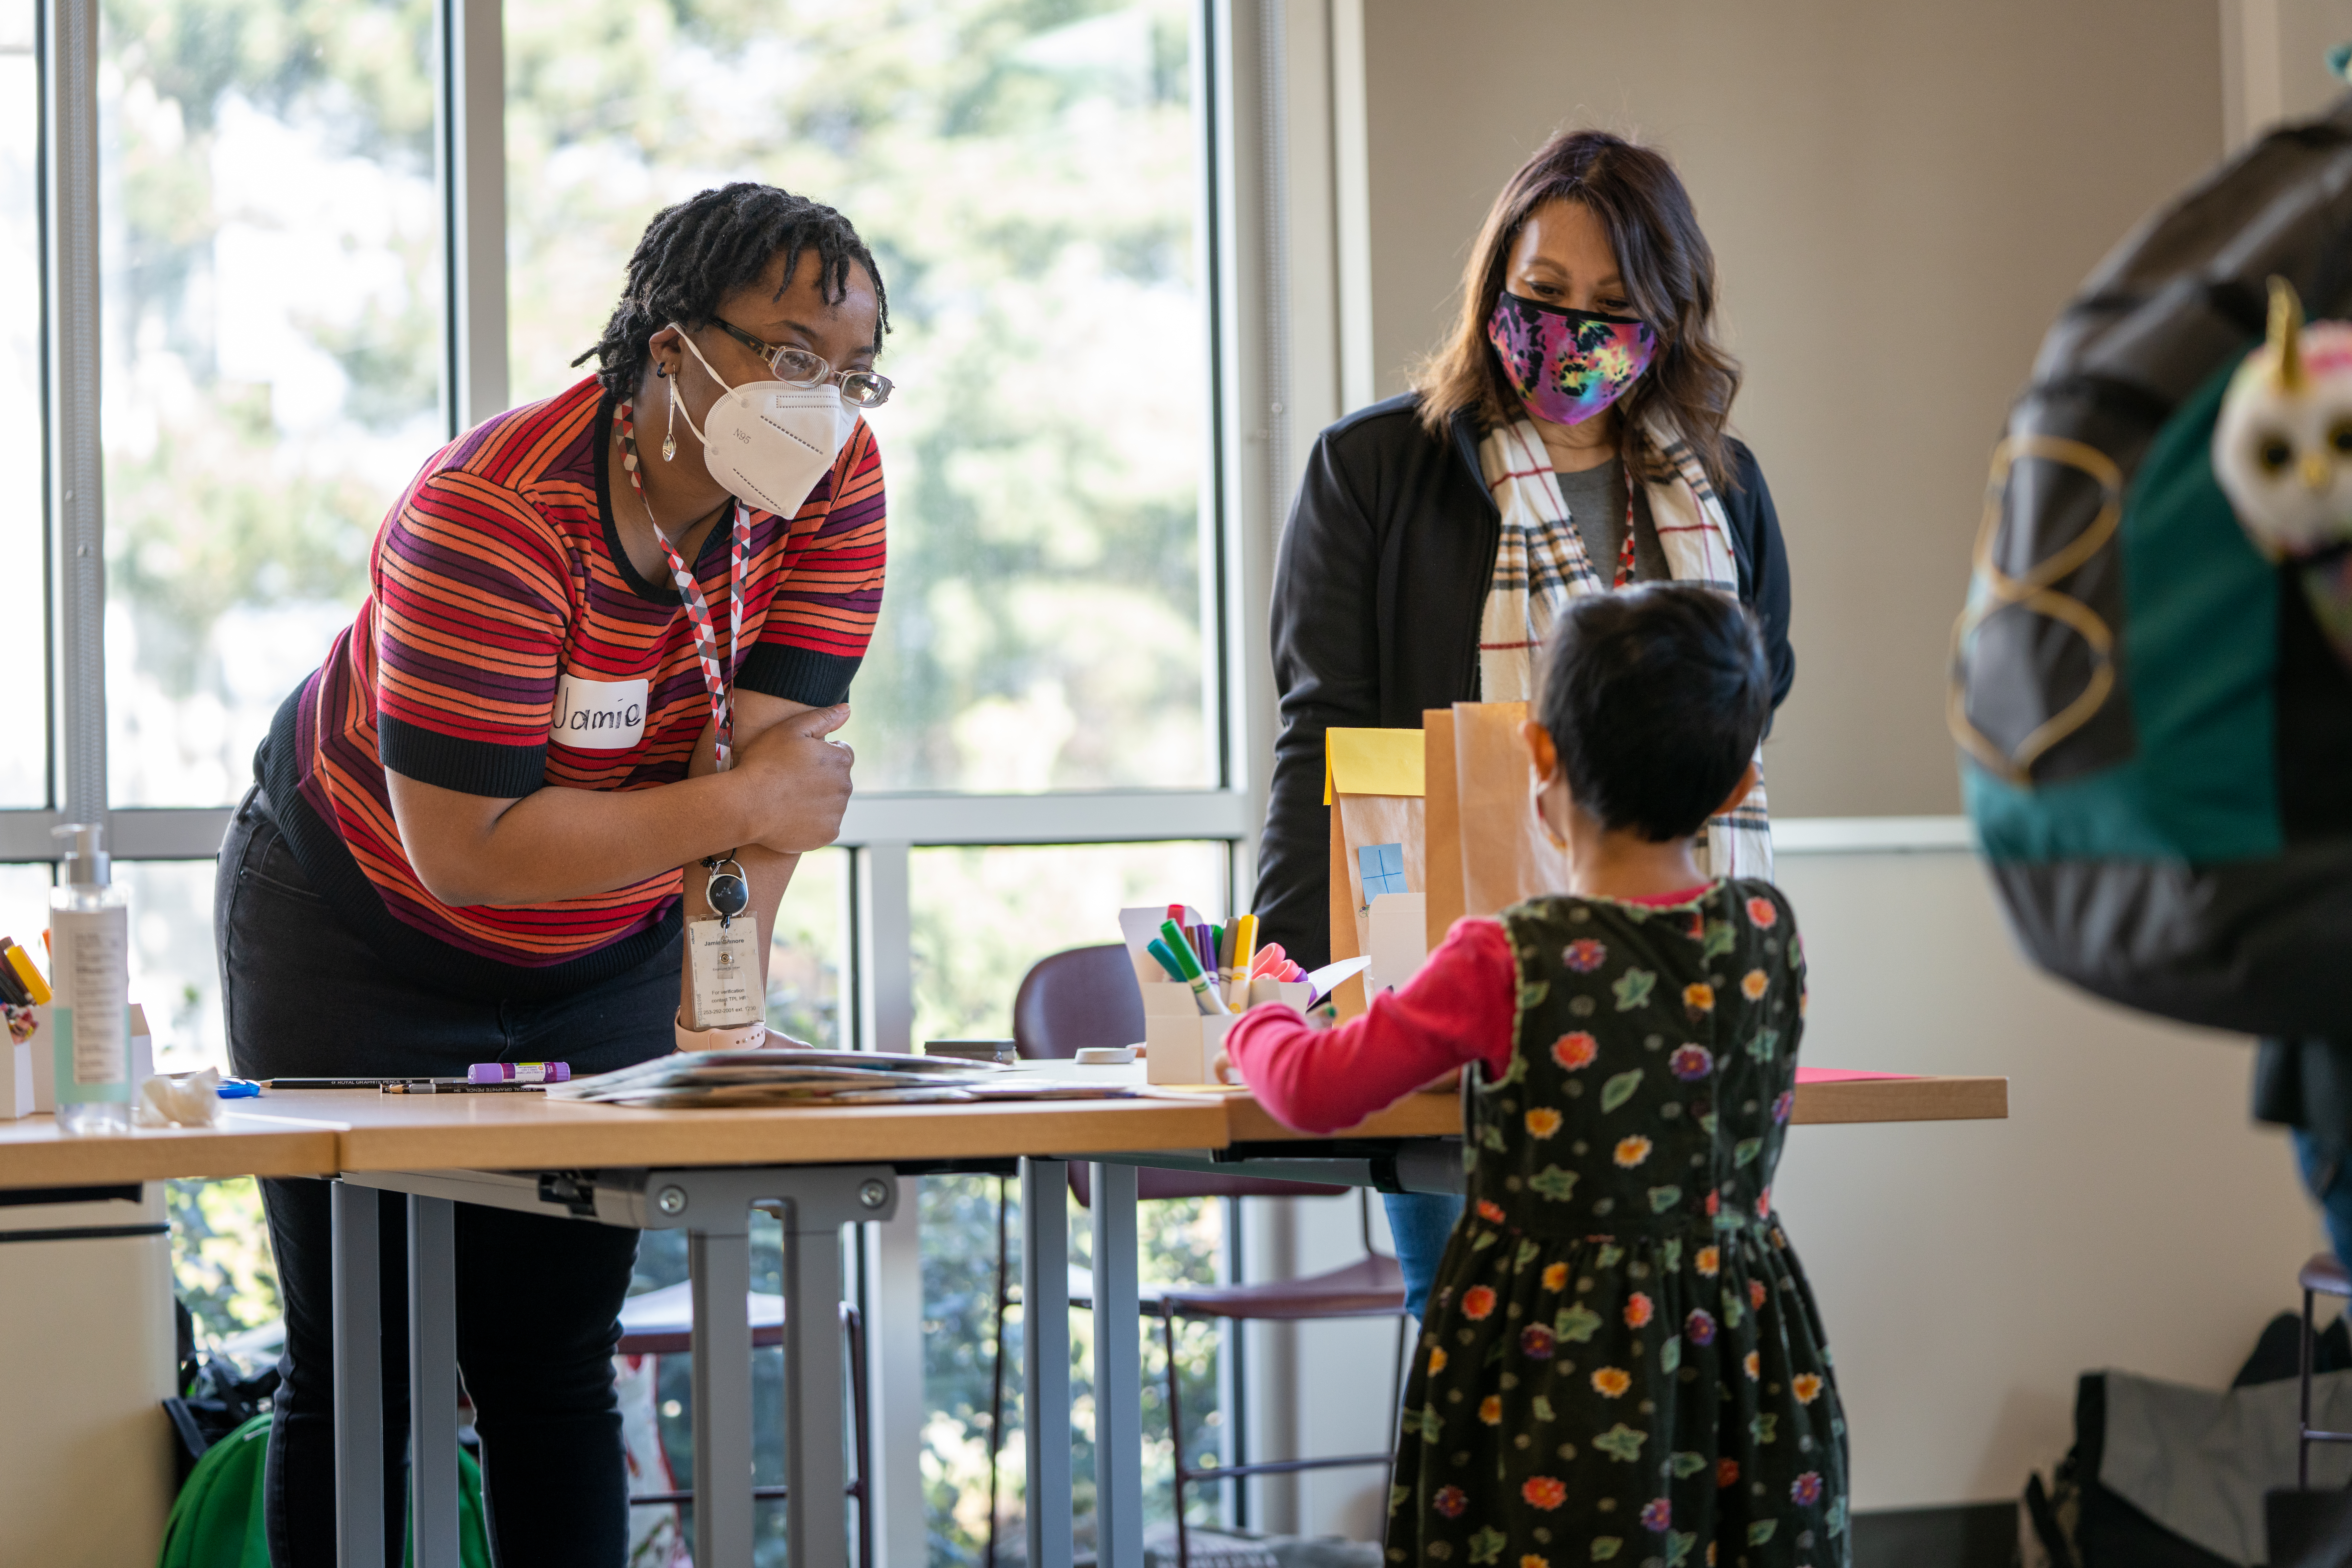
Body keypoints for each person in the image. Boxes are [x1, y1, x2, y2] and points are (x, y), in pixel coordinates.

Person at [216, 182, 891, 1566]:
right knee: (369, 1367)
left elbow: (779, 784)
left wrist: (726, 1002)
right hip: (361, 929)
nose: (823, 402)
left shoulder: (835, 486)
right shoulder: (493, 510)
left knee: (552, 1360)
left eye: (855, 369)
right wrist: (744, 798)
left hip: (605, 950)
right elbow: (467, 851)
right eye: (789, 355)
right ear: (670, 346)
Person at [1250, 128, 1796, 1322]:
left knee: (1676, 1335)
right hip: (1456, 965)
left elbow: (1752, 706)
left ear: (1670, 313)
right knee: (1474, 1336)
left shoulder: (1726, 489)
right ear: (1496, 281)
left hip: (1684, 995)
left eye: (1614, 304)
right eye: (1544, 295)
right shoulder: (1378, 468)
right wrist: (1287, 956)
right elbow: (1325, 730)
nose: (1573, 331)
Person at [1229, 584, 1847, 1566]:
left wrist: (1259, 1018)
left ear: (1542, 757)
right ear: (1739, 786)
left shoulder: (1510, 956)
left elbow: (1313, 1090)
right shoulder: (1766, 930)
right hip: (1742, 1340)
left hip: (1556, 1349)